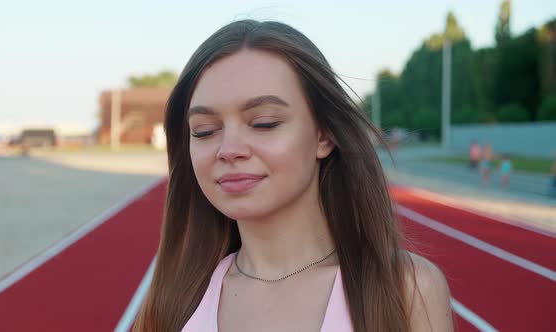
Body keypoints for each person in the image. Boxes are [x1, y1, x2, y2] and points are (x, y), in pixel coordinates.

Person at [134, 20, 453, 332]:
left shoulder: (406, 290)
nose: (228, 149)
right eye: (205, 131)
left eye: (264, 123)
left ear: (324, 135)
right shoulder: (173, 303)